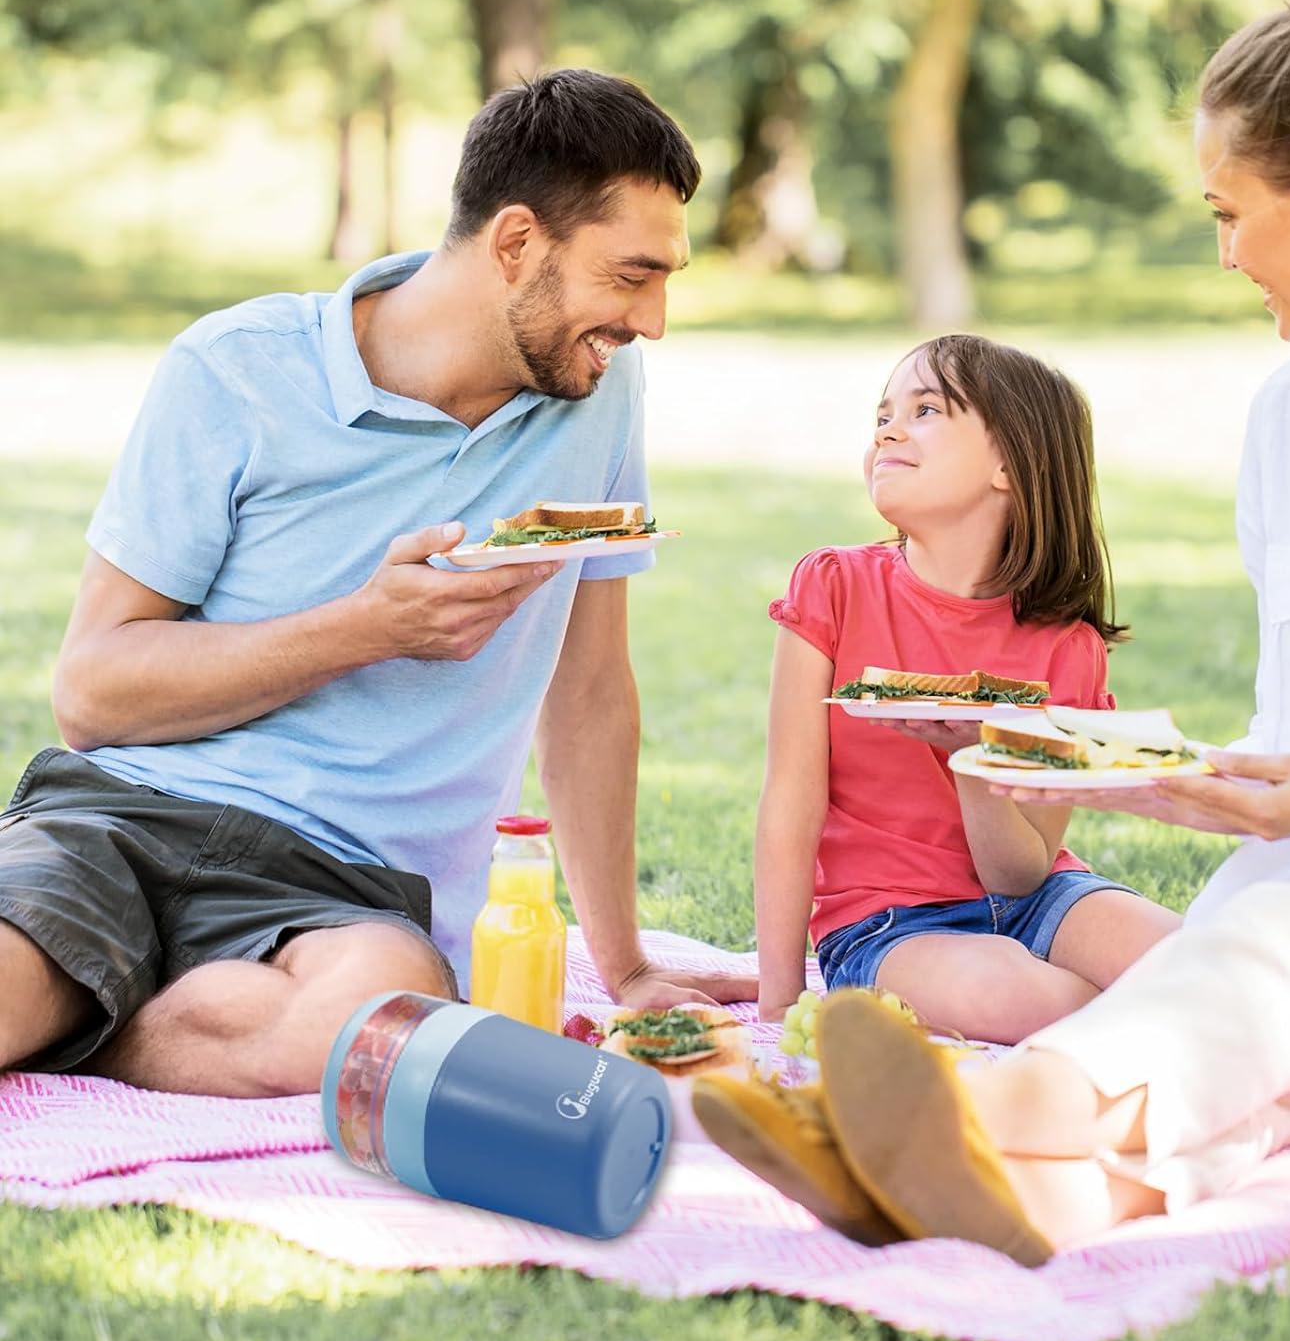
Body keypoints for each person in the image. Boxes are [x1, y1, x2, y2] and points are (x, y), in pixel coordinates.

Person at [744, 0, 1290, 1262]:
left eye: (1230, 214)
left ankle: (956, 1133)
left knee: (1289, 974)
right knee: (1256, 1040)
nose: (1223, 255)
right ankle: (1034, 1188)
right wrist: (1144, 779)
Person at [0, 68, 753, 1098]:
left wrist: (624, 967)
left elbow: (589, 690)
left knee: (383, 1031)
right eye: (631, 276)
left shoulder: (599, 394)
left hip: (356, 888)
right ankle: (76, 988)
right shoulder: (235, 370)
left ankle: (93, 1014)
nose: (654, 319)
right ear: (517, 242)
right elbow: (91, 697)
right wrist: (364, 627)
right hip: (126, 818)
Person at [692, 335, 1179, 1244]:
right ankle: (1110, 1093)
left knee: (1190, 959)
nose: (888, 429)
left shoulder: (1064, 647)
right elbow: (789, 804)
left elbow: (1020, 878)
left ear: (1010, 462)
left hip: (1037, 895)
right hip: (886, 922)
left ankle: (1185, 1069)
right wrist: (774, 999)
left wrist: (974, 761)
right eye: (882, 412)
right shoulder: (832, 587)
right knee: (1011, 995)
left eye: (925, 411)